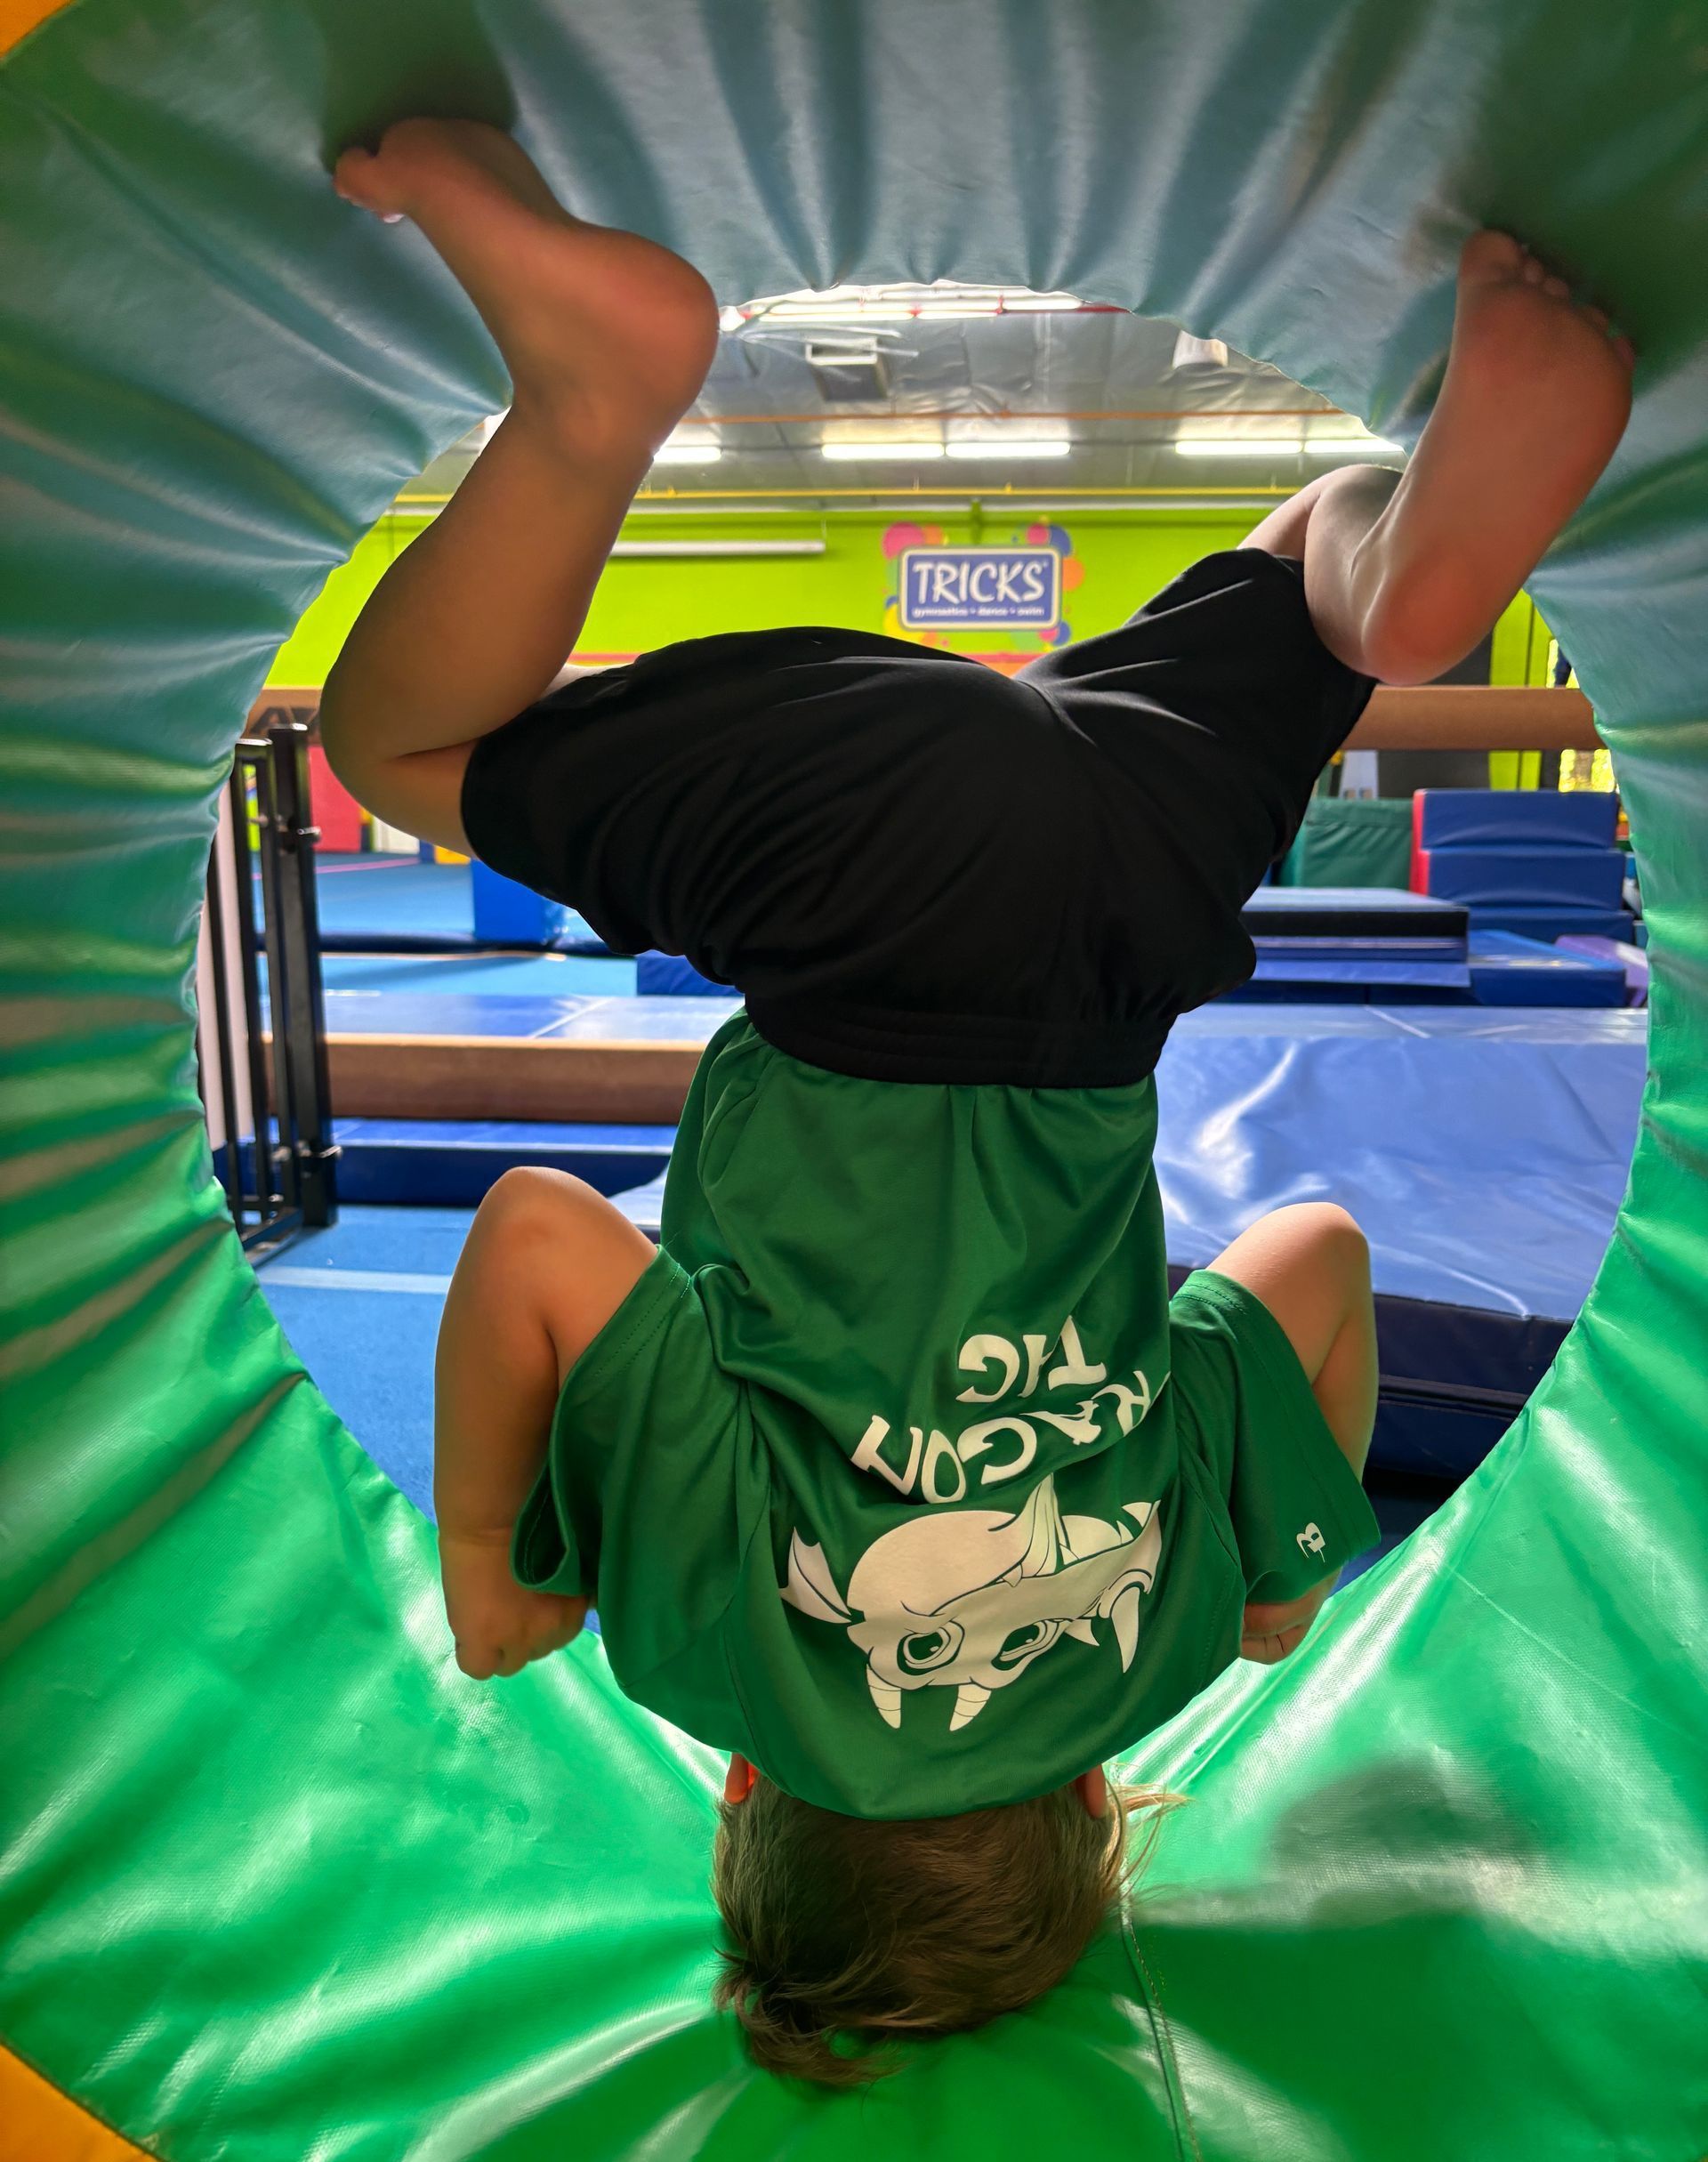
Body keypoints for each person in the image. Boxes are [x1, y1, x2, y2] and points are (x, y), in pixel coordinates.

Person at [319, 118, 1635, 2085]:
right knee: (401, 745)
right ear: (744, 1791)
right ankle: (597, 397)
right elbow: (527, 1232)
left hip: (1132, 920)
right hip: (862, 900)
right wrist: (503, 1572)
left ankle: (1405, 560)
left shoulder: (1166, 1628)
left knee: (1310, 576)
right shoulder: (706, 1636)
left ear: (1093, 1811)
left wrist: (1281, 1565)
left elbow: (1321, 1249)